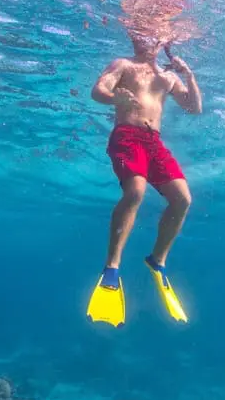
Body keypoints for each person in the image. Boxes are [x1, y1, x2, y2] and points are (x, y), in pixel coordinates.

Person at [85, 32, 202, 326]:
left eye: (151, 35)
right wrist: (115, 98)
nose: (144, 40)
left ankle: (157, 261)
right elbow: (97, 91)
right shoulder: (123, 64)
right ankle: (112, 267)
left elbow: (194, 107)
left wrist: (188, 75)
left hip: (154, 142)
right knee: (135, 191)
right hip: (127, 136)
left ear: (161, 43)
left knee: (183, 199)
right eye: (138, 34)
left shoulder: (168, 77)